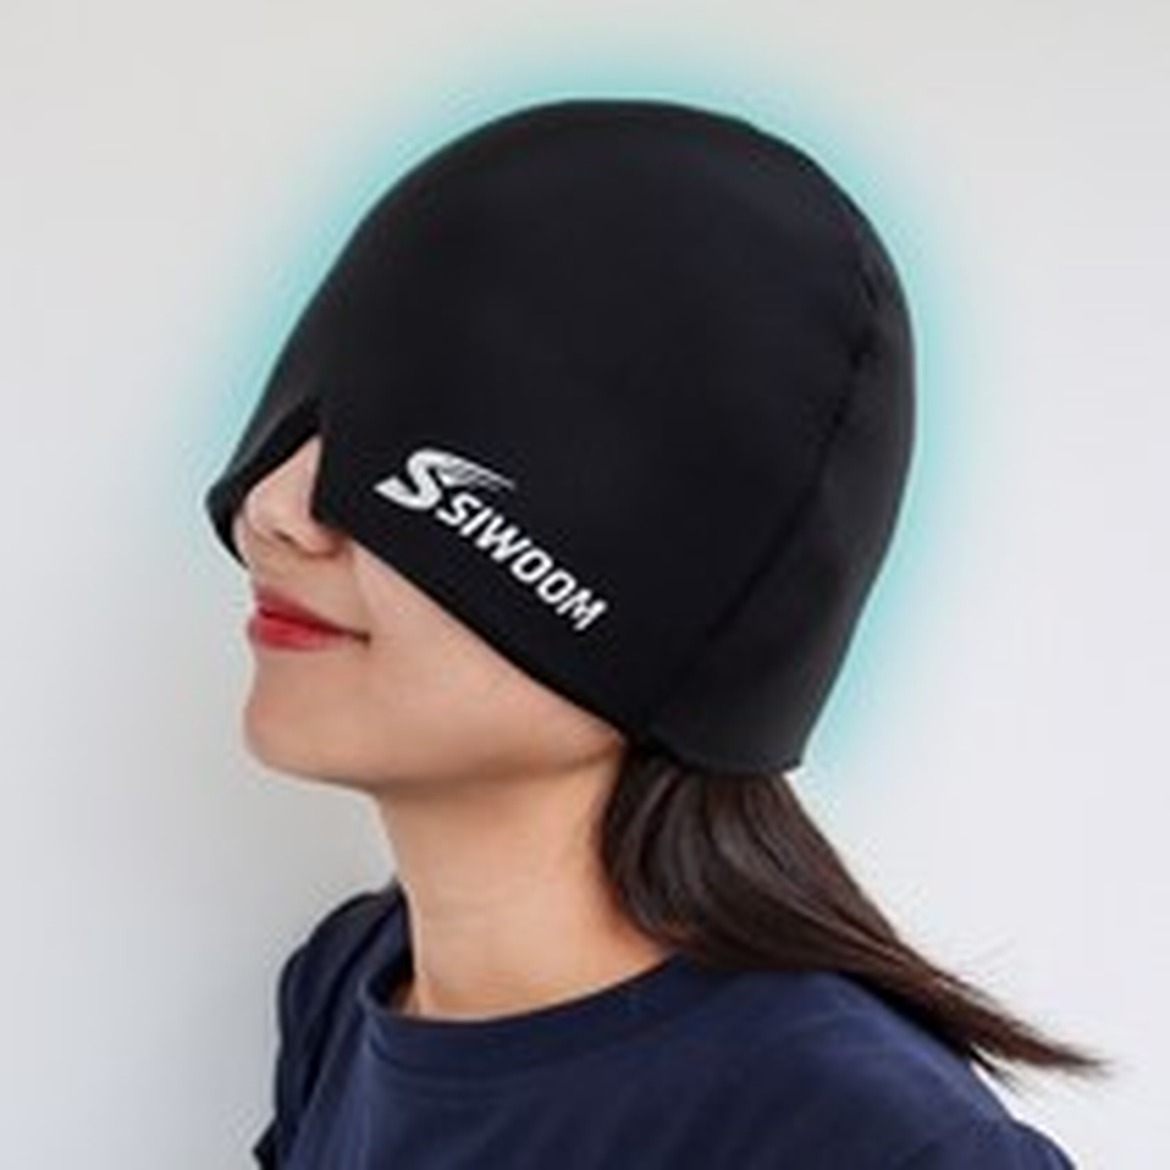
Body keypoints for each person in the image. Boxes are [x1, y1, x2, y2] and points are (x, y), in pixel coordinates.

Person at [205, 97, 1098, 1168]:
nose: (273, 510)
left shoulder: (868, 1142)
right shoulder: (344, 988)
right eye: (307, 421)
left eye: (418, 438)